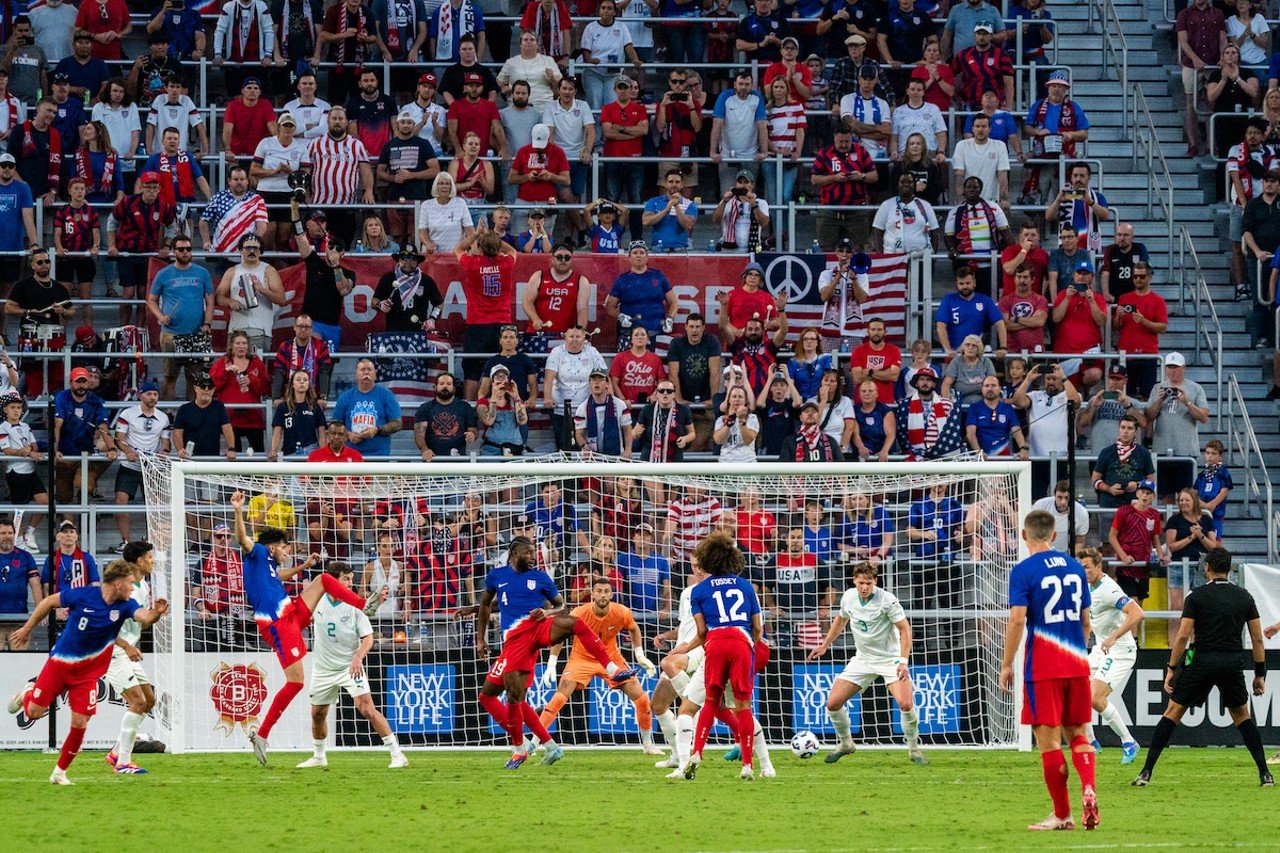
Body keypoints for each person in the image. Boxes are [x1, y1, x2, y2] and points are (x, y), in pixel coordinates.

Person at [228, 490, 381, 765]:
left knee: (322, 578)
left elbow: (281, 575)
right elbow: (242, 539)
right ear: (273, 547)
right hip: (276, 623)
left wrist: (303, 566)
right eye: (286, 547)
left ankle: (361, 604)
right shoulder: (258, 553)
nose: (288, 551)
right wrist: (239, 511)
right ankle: (262, 735)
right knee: (296, 682)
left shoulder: (270, 565)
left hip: (290, 613)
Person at [476, 536, 643, 768]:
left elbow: (561, 606)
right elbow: (487, 604)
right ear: (514, 553)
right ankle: (542, 746)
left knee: (575, 623)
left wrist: (548, 613)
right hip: (515, 641)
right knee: (499, 696)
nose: (534, 557)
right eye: (528, 553)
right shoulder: (497, 576)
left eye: (535, 553)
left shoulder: (541, 578)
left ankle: (612, 669)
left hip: (538, 627)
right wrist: (480, 638)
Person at [6, 561, 167, 785]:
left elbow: (145, 617)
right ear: (118, 583)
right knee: (33, 712)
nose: (132, 588)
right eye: (130, 583)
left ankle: (59, 773)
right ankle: (28, 693)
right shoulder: (83, 595)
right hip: (59, 665)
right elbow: (48, 601)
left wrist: (156, 613)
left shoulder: (126, 605)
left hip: (87, 675)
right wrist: (26, 628)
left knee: (80, 722)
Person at [1136, 547, 1272, 787]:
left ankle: (1146, 771)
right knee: (1242, 716)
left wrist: (1171, 668)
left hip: (1201, 660)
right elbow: (1257, 639)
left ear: (1207, 568)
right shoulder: (1244, 597)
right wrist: (1260, 674)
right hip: (1231, 662)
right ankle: (1265, 774)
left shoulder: (1196, 596)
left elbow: (1182, 636)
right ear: (1229, 568)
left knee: (1172, 712)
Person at [998, 509, 1098, 831]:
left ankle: (1063, 815)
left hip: (1043, 667)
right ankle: (1088, 786)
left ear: (1024, 535)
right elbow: (1085, 622)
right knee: (1078, 735)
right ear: (1054, 536)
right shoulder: (1075, 566)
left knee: (1050, 743)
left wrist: (1005, 663)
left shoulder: (1024, 571)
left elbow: (1017, 619)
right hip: (1077, 663)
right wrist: (1077, 652)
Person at [809, 561, 926, 766]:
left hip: (889, 660)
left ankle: (914, 750)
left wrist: (903, 661)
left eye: (869, 583)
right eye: (861, 583)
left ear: (875, 582)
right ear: (854, 580)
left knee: (906, 704)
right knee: (833, 703)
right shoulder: (848, 597)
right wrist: (825, 644)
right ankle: (846, 744)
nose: (864, 587)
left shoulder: (887, 600)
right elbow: (840, 620)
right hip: (863, 659)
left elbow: (905, 630)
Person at [294, 562, 408, 770]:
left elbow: (368, 637)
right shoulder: (318, 600)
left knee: (366, 708)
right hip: (323, 668)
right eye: (346, 578)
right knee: (317, 713)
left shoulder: (355, 605)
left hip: (349, 666)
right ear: (333, 581)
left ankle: (397, 754)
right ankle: (319, 756)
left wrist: (358, 657)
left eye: (351, 578)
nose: (350, 583)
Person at [680, 531, 764, 781]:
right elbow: (757, 626)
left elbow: (701, 630)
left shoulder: (699, 590)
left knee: (710, 701)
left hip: (715, 642)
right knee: (743, 705)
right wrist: (750, 644)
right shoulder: (745, 585)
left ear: (707, 560)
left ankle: (696, 753)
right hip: (740, 641)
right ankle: (748, 765)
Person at [1071, 547, 1144, 765]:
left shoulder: (1109, 590)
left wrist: (1114, 636)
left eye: (1087, 568)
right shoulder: (1086, 587)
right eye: (1081, 568)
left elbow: (1138, 613)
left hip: (1120, 651)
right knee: (1076, 687)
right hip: (1100, 650)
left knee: (1095, 698)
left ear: (1099, 567)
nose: (1084, 572)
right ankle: (1092, 743)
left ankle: (1129, 742)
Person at [455, 227, 518, 397]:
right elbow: (512, 250)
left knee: (472, 368)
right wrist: (495, 240)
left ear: (480, 247)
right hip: (502, 323)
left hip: (477, 323)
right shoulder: (506, 263)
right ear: (498, 248)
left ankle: (469, 406)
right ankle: (502, 405)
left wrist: (476, 235)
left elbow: (458, 249)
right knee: (502, 366)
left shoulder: (472, 264)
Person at [111, 381, 170, 550]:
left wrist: (164, 452)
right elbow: (118, 438)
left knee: (154, 505)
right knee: (120, 501)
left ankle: (149, 539)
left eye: (155, 394)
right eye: (149, 394)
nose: (152, 397)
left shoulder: (163, 417)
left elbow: (166, 443)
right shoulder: (128, 414)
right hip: (129, 466)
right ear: (141, 395)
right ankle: (125, 542)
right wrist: (128, 451)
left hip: (151, 467)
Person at [1143, 352, 1210, 498]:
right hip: (1162, 449)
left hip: (1185, 450)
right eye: (1169, 367)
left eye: (1175, 367)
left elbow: (1204, 417)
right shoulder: (1157, 388)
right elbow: (1148, 417)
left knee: (1186, 496)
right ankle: (1168, 521)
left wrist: (1187, 402)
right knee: (1165, 495)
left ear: (1183, 368)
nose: (1171, 371)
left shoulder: (1195, 388)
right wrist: (1159, 400)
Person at [302, 105, 374, 240]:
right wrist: (306, 193)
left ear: (346, 122)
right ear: (328, 121)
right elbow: (306, 170)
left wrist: (369, 190)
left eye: (340, 118)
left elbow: (366, 169)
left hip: (345, 206)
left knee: (342, 250)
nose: (337, 121)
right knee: (320, 248)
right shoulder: (315, 143)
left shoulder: (356, 144)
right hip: (320, 206)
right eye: (334, 118)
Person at [1019, 71, 1089, 204]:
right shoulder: (1038, 105)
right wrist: (1037, 131)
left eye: (1060, 86)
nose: (1056, 90)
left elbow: (1084, 134)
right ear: (1048, 88)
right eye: (1053, 86)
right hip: (1042, 160)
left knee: (1066, 199)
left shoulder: (1074, 107)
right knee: (1038, 198)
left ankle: (1064, 224)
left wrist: (1070, 134)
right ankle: (1039, 223)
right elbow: (1027, 128)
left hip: (1065, 160)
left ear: (1066, 89)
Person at [376, 110, 441, 245]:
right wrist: (393, 178)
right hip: (394, 198)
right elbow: (380, 172)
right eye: (403, 122)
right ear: (398, 124)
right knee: (397, 238)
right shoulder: (389, 145)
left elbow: (435, 170)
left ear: (413, 125)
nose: (406, 125)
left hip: (417, 198)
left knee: (416, 238)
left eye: (409, 122)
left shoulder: (423, 144)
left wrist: (412, 175)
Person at [217, 235, 285, 358]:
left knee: (257, 371)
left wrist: (263, 290)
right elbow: (218, 297)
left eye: (255, 248)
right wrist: (229, 302)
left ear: (261, 251)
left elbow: (281, 299)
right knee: (234, 369)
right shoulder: (232, 271)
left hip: (261, 328)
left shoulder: (268, 270)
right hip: (236, 329)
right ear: (240, 250)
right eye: (248, 248)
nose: (252, 251)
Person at [811, 126, 877, 251]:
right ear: (834, 139)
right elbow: (814, 179)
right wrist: (834, 178)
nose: (844, 145)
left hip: (856, 210)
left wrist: (861, 176)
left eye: (847, 141)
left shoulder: (861, 151)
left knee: (858, 250)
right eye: (840, 142)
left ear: (852, 138)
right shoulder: (824, 153)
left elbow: (874, 176)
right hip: (829, 210)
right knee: (826, 249)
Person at [1175, 0, 1227, 157]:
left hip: (1212, 63)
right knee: (1191, 102)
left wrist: (1222, 56)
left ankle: (1211, 145)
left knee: (1212, 103)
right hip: (1191, 64)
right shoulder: (1184, 14)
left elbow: (1223, 38)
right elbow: (1183, 40)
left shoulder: (1217, 13)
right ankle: (1193, 144)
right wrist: (1194, 58)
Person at [1108, 479, 1170, 608]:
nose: (1145, 495)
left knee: (1139, 605)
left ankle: (1133, 629)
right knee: (1133, 604)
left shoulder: (1154, 515)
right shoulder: (1124, 511)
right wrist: (1124, 556)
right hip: (1126, 567)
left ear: (1153, 497)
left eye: (1149, 493)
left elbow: (1155, 537)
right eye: (1143, 492)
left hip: (1143, 566)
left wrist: (1160, 555)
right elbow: (1112, 536)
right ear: (1137, 493)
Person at [606, 241, 677, 351]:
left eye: (642, 252)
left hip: (656, 332)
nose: (638, 255)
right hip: (629, 334)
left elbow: (673, 302)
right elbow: (610, 307)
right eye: (634, 253)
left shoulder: (658, 276)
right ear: (629, 257)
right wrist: (620, 316)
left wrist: (670, 319)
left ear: (647, 257)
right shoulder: (622, 279)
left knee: (656, 365)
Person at [666, 313, 721, 450]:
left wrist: (712, 399)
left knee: (698, 442)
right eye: (691, 326)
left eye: (697, 327)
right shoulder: (677, 344)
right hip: (682, 406)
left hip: (704, 407)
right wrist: (678, 398)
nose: (694, 330)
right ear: (685, 327)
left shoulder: (711, 341)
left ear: (703, 328)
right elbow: (673, 374)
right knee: (676, 441)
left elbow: (714, 372)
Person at [710, 70, 770, 193]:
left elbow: (762, 126)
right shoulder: (725, 97)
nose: (743, 87)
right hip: (727, 155)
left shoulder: (756, 97)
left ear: (752, 85)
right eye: (741, 83)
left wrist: (764, 151)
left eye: (747, 84)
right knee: (727, 195)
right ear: (735, 85)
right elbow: (717, 125)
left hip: (751, 155)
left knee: (749, 195)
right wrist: (713, 152)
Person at [1050, 259, 1107, 388]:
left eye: (1086, 274)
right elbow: (1056, 318)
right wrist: (1067, 298)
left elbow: (1102, 321)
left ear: (1092, 276)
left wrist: (1091, 301)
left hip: (1089, 352)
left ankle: (1084, 392)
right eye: (1079, 273)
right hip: (1065, 353)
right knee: (1067, 392)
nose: (1082, 277)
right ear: (1074, 275)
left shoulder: (1098, 298)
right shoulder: (1063, 294)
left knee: (1094, 374)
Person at [332, 358, 402, 457]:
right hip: (350, 456)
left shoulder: (386, 395)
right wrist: (348, 435)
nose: (366, 373)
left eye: (369, 369)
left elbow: (397, 424)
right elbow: (335, 425)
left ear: (375, 374)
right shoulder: (345, 397)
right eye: (362, 369)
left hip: (379, 456)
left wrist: (377, 430)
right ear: (356, 374)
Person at [934, 267, 1006, 358]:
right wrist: (948, 349)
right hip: (954, 354)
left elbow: (1000, 323)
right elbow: (940, 326)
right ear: (956, 284)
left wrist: (1003, 347)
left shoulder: (985, 300)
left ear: (974, 283)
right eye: (961, 283)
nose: (964, 286)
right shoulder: (948, 300)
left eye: (968, 283)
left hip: (975, 355)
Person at [1090, 414, 1156, 510]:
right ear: (1119, 429)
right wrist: (1109, 489)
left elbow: (1151, 480)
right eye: (1123, 427)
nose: (1125, 431)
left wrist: (1137, 485)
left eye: (1130, 428)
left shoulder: (1144, 453)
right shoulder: (1107, 452)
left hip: (1135, 506)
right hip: (1109, 504)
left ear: (1136, 432)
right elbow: (1094, 479)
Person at [373, 245, 443, 336]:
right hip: (393, 333)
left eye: (412, 258)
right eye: (403, 258)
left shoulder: (426, 280)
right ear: (398, 260)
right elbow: (373, 301)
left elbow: (439, 304)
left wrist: (432, 319)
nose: (407, 261)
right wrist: (380, 304)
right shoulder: (388, 278)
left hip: (418, 333)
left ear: (417, 261)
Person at [896, 367, 963, 460]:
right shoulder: (905, 405)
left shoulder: (947, 404)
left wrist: (935, 451)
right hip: (915, 455)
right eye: (922, 379)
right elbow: (902, 433)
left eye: (928, 380)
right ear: (916, 383)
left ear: (934, 384)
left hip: (941, 454)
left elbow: (951, 431)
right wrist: (918, 453)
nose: (925, 383)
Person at [1045, 162, 1111, 255]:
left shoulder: (1097, 196)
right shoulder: (1063, 196)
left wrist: (1090, 202)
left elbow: (1105, 216)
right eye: (1075, 175)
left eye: (1082, 176)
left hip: (1090, 248)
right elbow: (1048, 217)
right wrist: (1058, 201)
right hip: (1066, 249)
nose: (1078, 179)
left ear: (1089, 178)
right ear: (1071, 178)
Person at [174, 370, 236, 461]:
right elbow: (177, 433)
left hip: (212, 459)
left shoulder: (219, 407)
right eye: (203, 386)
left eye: (210, 387)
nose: (206, 389)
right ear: (195, 388)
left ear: (213, 390)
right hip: (189, 458)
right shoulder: (184, 409)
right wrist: (180, 449)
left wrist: (231, 449)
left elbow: (227, 428)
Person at [871, 172, 940, 254]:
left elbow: (934, 231)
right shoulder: (886, 205)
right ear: (897, 184)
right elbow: (877, 231)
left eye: (909, 182)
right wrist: (881, 256)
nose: (906, 185)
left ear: (914, 185)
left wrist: (933, 255)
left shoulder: (925, 205)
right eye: (902, 182)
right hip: (893, 258)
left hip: (920, 257)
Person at [951, 115, 1010, 211]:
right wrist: (961, 198)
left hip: (992, 201)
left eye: (984, 126)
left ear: (990, 129)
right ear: (972, 129)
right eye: (977, 126)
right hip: (969, 201)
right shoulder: (962, 145)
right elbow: (959, 175)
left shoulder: (999, 146)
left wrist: (1003, 198)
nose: (980, 130)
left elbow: (1002, 175)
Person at [574, 367, 634, 457]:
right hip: (592, 458)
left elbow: (627, 430)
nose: (596, 382)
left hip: (616, 456)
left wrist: (628, 449)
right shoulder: (582, 408)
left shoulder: (620, 404)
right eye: (593, 380)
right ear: (589, 384)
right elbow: (579, 434)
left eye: (600, 379)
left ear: (607, 384)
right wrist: (585, 447)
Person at [950, 23, 1013, 109]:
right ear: (974, 35)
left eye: (985, 34)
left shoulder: (1002, 55)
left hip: (994, 106)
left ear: (991, 36)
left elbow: (1008, 83)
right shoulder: (963, 55)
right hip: (969, 105)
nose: (981, 37)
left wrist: (1009, 106)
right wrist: (956, 96)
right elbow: (948, 75)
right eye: (979, 34)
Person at [269, 369, 326, 460]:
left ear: (308, 384)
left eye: (305, 380)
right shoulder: (282, 407)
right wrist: (273, 450)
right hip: (289, 452)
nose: (302, 382)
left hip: (311, 452)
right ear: (292, 385)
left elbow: (322, 433)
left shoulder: (315, 407)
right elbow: (277, 432)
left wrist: (323, 452)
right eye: (298, 380)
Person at [965, 375, 1027, 458]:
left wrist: (1023, 449)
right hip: (982, 458)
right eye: (987, 386)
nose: (990, 388)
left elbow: (1016, 430)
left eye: (993, 385)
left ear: (1000, 388)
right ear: (982, 389)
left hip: (1004, 458)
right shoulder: (974, 408)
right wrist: (978, 453)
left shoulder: (1007, 408)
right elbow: (970, 433)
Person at [998, 264, 1049, 354]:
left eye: (1026, 277)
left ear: (1032, 280)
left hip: (1036, 352)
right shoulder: (1005, 301)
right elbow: (1006, 325)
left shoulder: (1040, 299)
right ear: (1014, 279)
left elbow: (1039, 321)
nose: (1022, 280)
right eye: (1019, 277)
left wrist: (1015, 319)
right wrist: (1031, 322)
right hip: (1012, 352)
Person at [710, 170, 765, 254]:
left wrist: (753, 205)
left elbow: (764, 222)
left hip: (752, 249)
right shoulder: (727, 202)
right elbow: (715, 220)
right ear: (736, 184)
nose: (743, 185)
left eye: (746, 182)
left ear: (753, 185)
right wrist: (724, 201)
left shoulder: (760, 203)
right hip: (728, 249)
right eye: (740, 182)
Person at [1099, 223, 1152, 305]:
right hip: (1115, 298)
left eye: (1126, 235)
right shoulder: (1111, 249)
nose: (1122, 238)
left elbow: (1146, 272)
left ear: (1132, 238)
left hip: (1136, 295)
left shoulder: (1139, 248)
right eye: (1119, 235)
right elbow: (1105, 273)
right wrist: (1106, 294)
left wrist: (1144, 294)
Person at [1031, 480, 1090, 553]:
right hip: (1042, 552)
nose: (1063, 502)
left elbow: (1080, 541)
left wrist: (1070, 559)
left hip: (1065, 554)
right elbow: (1032, 533)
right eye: (1059, 497)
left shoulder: (1082, 513)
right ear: (1054, 496)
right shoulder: (1040, 506)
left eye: (1066, 498)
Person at [780, 401, 845, 462]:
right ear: (800, 417)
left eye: (814, 411)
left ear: (819, 417)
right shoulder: (790, 441)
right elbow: (783, 469)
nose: (810, 414)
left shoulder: (831, 441)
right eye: (806, 411)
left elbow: (841, 467)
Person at [1194, 439, 1232, 539]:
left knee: (1215, 539)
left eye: (1214, 454)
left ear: (1220, 456)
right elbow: (1194, 493)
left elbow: (1224, 491)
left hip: (1217, 513)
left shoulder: (1223, 472)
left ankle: (1222, 555)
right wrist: (1203, 504)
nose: (1210, 456)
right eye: (1207, 453)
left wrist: (1212, 504)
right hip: (1201, 512)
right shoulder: (1202, 474)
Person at [714, 385, 759, 464]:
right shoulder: (721, 420)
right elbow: (718, 440)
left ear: (745, 401)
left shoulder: (752, 418)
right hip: (726, 463)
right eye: (734, 396)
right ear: (729, 400)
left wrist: (742, 420)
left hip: (747, 462)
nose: (737, 399)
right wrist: (729, 420)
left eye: (740, 397)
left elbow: (747, 440)